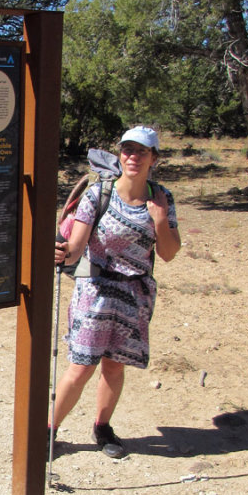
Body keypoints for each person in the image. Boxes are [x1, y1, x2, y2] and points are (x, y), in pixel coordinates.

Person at [52, 126, 181, 457]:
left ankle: (102, 427)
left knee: (114, 366)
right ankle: (49, 429)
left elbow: (167, 253)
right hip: (94, 290)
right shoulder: (99, 194)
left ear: (154, 158)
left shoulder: (161, 198)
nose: (133, 157)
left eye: (141, 151)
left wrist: (161, 218)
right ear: (120, 153)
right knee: (81, 366)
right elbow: (77, 247)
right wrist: (62, 251)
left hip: (134, 295)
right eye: (127, 150)